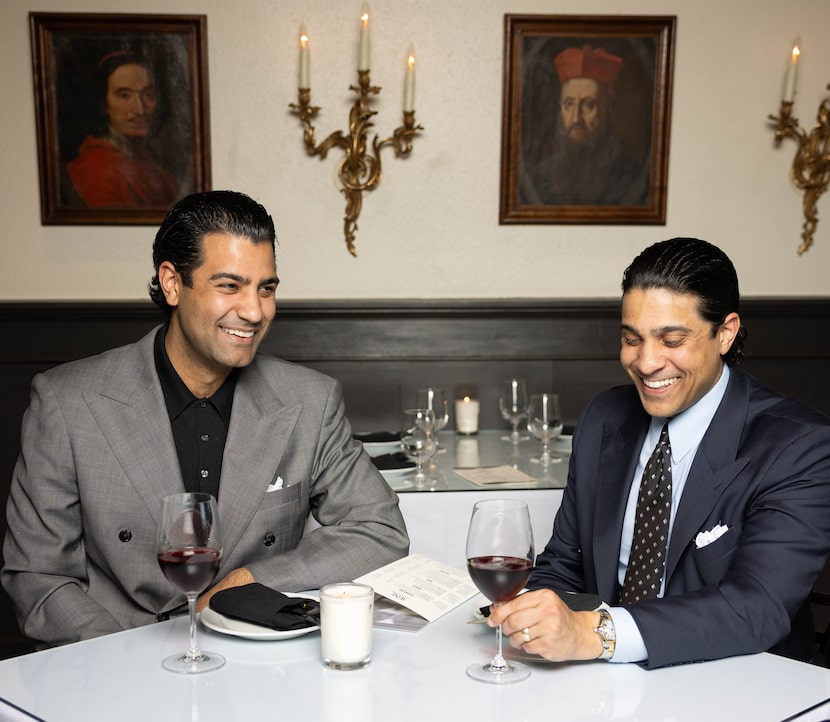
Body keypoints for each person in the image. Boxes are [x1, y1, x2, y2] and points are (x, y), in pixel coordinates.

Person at [1, 190, 409, 647]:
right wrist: (124, 660)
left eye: (266, 288)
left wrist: (250, 578)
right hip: (114, 660)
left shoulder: (309, 401)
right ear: (173, 283)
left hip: (255, 660)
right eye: (230, 286)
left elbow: (379, 529)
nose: (254, 312)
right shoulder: (67, 402)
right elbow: (37, 576)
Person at [490, 237, 830, 669]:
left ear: (725, 333)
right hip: (608, 687)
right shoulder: (603, 417)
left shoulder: (800, 446)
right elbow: (564, 565)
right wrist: (533, 617)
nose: (646, 362)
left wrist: (597, 635)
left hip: (744, 682)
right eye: (632, 339)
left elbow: (756, 607)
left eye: (671, 341)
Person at [520, 44, 649, 206]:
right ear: (560, 107)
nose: (576, 118)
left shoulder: (629, 173)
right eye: (569, 104)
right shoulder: (541, 175)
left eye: (589, 105)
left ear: (608, 108)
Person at [66, 50, 180, 208]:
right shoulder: (94, 168)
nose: (139, 109)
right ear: (104, 103)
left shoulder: (155, 167)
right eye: (125, 95)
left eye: (148, 94)